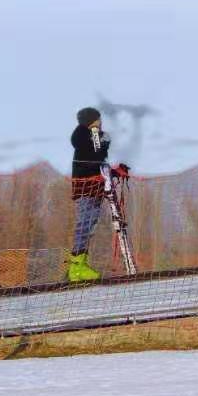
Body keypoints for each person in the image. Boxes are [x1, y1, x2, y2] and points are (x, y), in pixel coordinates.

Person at [68, 107, 110, 283]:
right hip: (88, 185)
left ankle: (80, 263)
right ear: (91, 121)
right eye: (98, 119)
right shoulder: (91, 133)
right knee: (85, 221)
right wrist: (105, 140)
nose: (100, 122)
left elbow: (96, 157)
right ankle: (76, 265)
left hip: (92, 185)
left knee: (89, 221)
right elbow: (98, 154)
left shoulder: (84, 136)